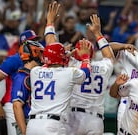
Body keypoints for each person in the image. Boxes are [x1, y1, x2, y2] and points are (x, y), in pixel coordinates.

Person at [26, 1, 92, 135]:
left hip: (32, 125)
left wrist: (49, 22)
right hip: (53, 125)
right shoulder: (68, 73)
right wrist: (85, 57)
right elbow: (85, 73)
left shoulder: (35, 71)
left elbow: (51, 49)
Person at [68, 14, 114, 135]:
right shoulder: (103, 67)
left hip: (74, 117)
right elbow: (109, 56)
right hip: (95, 119)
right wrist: (98, 34)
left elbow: (55, 54)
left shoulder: (71, 66)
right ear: (93, 53)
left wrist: (69, 53)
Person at [0, 29, 41, 135]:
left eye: (36, 40)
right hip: (12, 103)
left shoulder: (37, 58)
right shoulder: (14, 59)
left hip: (29, 105)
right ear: (24, 43)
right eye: (33, 40)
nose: (37, 43)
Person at [11, 40, 44, 135]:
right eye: (40, 52)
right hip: (27, 122)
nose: (42, 56)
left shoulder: (36, 73)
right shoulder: (22, 77)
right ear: (33, 53)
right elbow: (17, 106)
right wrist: (25, 132)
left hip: (37, 122)